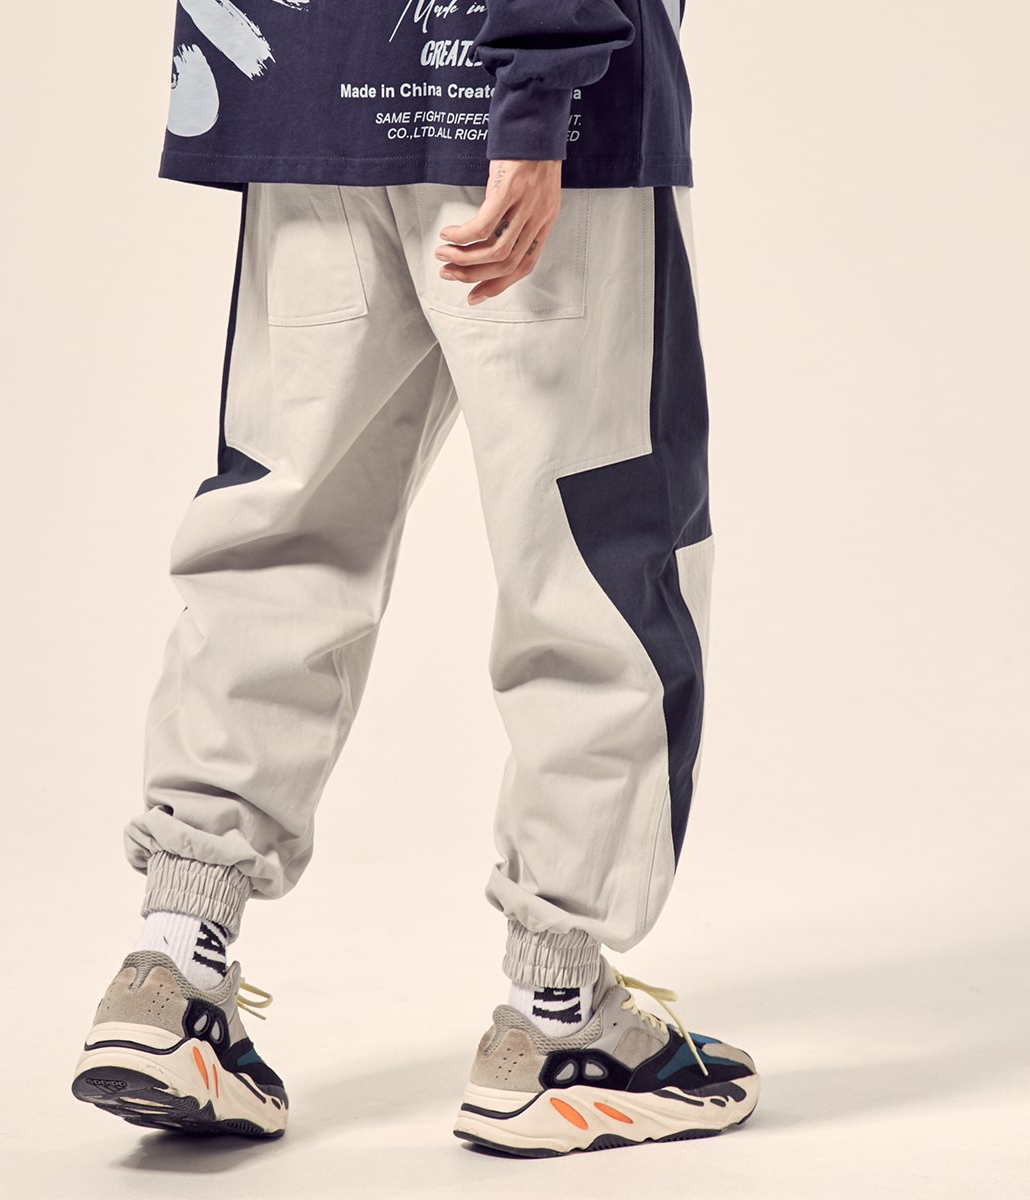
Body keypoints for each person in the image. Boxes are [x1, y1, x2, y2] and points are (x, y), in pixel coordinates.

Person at [71, 0, 759, 1156]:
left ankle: (173, 971)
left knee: (280, 530)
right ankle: (559, 1023)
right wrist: (537, 99)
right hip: (524, 111)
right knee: (592, 554)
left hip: (307, 94)